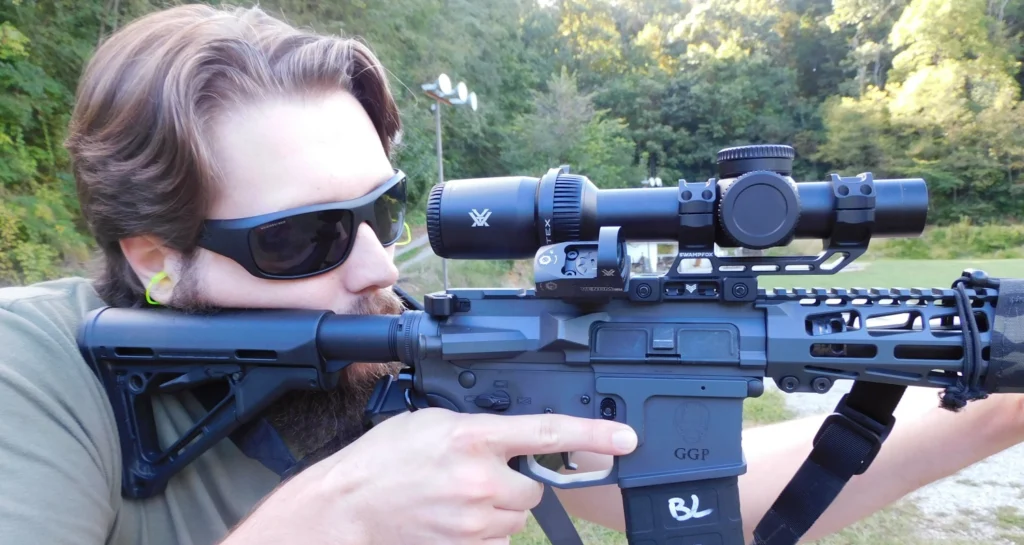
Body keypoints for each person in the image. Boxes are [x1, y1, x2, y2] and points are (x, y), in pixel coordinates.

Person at [1, 4, 1022, 545]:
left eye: (381, 213)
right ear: (153, 257)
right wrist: (336, 520)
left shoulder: (402, 356)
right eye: (300, 240)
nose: (372, 267)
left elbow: (680, 484)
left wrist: (993, 407)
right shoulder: (32, 371)